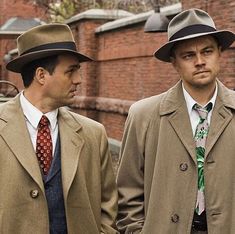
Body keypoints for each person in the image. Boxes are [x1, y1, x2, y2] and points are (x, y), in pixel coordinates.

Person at [116, 8, 235, 234]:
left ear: (220, 52)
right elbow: (127, 193)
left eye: (207, 51)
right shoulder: (143, 115)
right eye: (188, 55)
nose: (200, 61)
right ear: (174, 62)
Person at [0, 23, 118, 234]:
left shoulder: (93, 134)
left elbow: (108, 206)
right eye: (71, 71)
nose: (79, 80)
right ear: (41, 75)